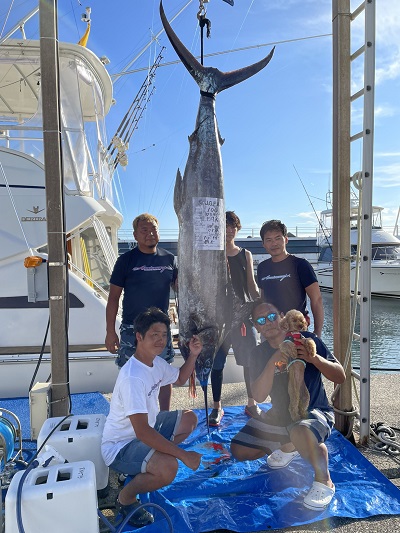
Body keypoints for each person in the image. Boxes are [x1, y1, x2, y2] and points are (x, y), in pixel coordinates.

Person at [230, 300, 345, 510]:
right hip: (280, 416)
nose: (268, 323)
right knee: (239, 449)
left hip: (314, 412)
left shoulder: (308, 339)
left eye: (272, 316)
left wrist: (314, 359)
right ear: (256, 327)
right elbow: (259, 396)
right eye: (261, 320)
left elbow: (340, 376)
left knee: (301, 431)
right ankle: (290, 446)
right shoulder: (257, 353)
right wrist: (273, 360)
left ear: (283, 316)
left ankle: (324, 480)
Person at [101, 307, 203, 528]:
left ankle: (149, 461)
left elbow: (180, 379)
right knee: (169, 467)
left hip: (148, 427)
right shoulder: (133, 377)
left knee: (189, 419)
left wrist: (193, 354)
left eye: (164, 335)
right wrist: (183, 455)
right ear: (139, 337)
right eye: (154, 334)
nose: (160, 340)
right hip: (120, 446)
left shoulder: (155, 361)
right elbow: (142, 432)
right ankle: (125, 498)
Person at [105, 213, 177, 410]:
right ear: (135, 235)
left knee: (164, 375)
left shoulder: (169, 259)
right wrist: (110, 331)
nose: (150, 233)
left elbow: (181, 288)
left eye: (154, 229)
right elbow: (113, 298)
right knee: (130, 373)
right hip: (132, 329)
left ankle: (163, 415)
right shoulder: (125, 260)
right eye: (144, 230)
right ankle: (132, 416)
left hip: (160, 330)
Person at [209, 211, 261, 426]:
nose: (229, 230)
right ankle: (217, 407)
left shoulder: (245, 254)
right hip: (218, 319)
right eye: (225, 226)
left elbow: (251, 284)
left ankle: (251, 404)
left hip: (243, 318)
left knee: (250, 362)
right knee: (216, 364)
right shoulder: (212, 255)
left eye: (233, 227)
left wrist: (261, 303)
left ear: (237, 229)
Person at [257, 219, 324, 337]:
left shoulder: (301, 265)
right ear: (263, 244)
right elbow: (263, 299)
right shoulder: (262, 267)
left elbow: (316, 299)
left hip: (295, 328)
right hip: (271, 329)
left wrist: (317, 332)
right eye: (269, 240)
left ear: (286, 239)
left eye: (278, 238)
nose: (274, 243)